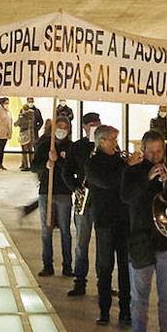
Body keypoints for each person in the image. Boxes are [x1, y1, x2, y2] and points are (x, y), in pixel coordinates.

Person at [120, 130, 167, 332]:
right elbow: (126, 197)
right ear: (143, 151)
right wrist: (147, 179)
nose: (156, 156)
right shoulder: (132, 172)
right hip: (141, 241)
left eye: (159, 151)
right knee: (139, 297)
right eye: (151, 151)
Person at [86, 125, 132, 326]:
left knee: (125, 268)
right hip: (104, 221)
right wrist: (127, 166)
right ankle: (104, 310)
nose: (115, 142)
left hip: (124, 220)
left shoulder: (121, 160)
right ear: (101, 141)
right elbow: (108, 182)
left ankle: (125, 311)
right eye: (112, 139)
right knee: (104, 267)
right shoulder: (93, 163)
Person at [32, 116, 77, 278]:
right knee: (46, 229)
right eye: (59, 126)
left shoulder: (71, 147)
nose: (62, 130)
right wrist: (46, 164)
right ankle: (47, 265)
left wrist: (59, 162)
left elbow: (73, 169)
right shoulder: (45, 145)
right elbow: (33, 166)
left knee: (65, 230)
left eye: (65, 127)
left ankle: (67, 266)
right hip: (46, 192)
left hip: (64, 192)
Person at [68, 112, 102, 298]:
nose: (95, 128)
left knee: (103, 244)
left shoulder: (106, 144)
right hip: (84, 200)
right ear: (84, 127)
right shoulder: (78, 147)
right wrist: (75, 187)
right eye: (92, 125)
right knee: (82, 243)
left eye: (98, 124)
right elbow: (67, 171)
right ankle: (79, 281)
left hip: (102, 202)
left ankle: (103, 282)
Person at [15, 102, 36, 171]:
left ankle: (26, 165)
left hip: (24, 134)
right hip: (31, 134)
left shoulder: (23, 116)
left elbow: (17, 124)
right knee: (30, 150)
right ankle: (32, 165)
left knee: (24, 151)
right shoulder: (32, 114)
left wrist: (20, 117)